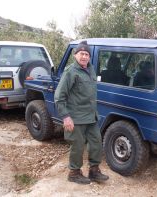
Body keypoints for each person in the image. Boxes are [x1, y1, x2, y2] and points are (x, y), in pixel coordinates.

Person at [54, 41, 109, 184]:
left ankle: (94, 171)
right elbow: (59, 97)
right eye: (81, 54)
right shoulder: (70, 72)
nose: (84, 57)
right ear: (75, 55)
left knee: (96, 142)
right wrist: (66, 117)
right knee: (77, 146)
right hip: (76, 117)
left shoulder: (91, 69)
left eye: (87, 54)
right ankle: (74, 173)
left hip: (91, 116)